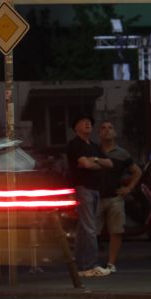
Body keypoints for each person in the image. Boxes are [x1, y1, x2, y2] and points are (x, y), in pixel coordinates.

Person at [66, 114, 113, 277]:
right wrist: (96, 163)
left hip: (95, 189)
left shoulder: (94, 146)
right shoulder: (74, 144)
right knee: (89, 227)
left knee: (83, 229)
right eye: (83, 121)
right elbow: (84, 164)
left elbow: (109, 163)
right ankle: (90, 264)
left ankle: (80, 266)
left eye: (89, 122)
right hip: (83, 188)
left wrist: (93, 160)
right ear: (76, 127)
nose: (87, 124)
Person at [97, 120, 142, 273]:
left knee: (116, 231)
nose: (107, 130)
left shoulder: (122, 154)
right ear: (99, 133)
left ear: (115, 132)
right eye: (103, 128)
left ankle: (111, 263)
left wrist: (129, 188)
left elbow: (137, 172)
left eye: (110, 128)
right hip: (96, 197)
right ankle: (90, 262)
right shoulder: (94, 151)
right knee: (91, 232)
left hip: (115, 197)